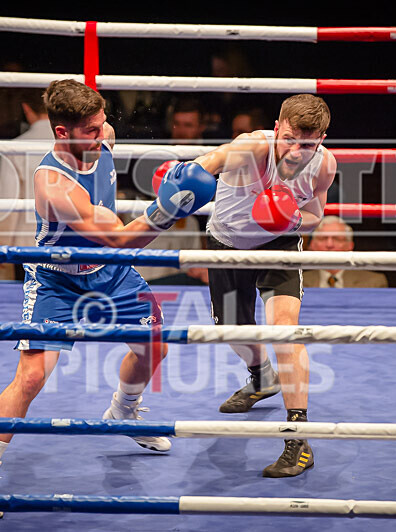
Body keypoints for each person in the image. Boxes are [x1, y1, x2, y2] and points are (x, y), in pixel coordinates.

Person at [0, 79, 216, 519]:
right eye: (92, 130)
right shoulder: (53, 187)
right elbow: (117, 239)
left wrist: (205, 165)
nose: (103, 135)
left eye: (103, 125)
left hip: (110, 275)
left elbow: (114, 247)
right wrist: (167, 210)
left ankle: (123, 411)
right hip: (58, 281)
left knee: (154, 344)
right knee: (32, 378)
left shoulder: (105, 138)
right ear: (62, 133)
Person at [169, 94, 337, 477]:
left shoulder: (324, 164)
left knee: (285, 332)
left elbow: (315, 212)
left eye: (308, 144)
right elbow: (207, 163)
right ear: (277, 128)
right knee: (233, 332)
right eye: (290, 138)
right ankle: (262, 378)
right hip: (226, 244)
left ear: (322, 138)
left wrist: (289, 220)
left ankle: (298, 438)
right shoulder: (251, 147)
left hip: (279, 245)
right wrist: (183, 177)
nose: (296, 151)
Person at [0, 89, 52, 281]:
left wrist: (1, 245)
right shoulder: (74, 144)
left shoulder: (15, 147)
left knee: (25, 302)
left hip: (27, 244)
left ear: (26, 108)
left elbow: (8, 201)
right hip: (68, 243)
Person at [303, 216, 388, 288]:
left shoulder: (373, 282)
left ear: (350, 246)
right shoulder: (299, 282)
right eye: (323, 239)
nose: (329, 244)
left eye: (337, 239)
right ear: (312, 245)